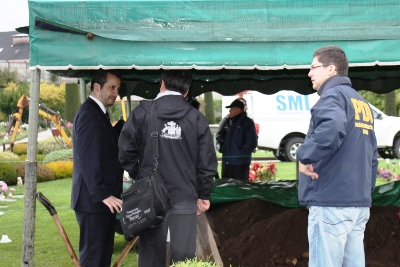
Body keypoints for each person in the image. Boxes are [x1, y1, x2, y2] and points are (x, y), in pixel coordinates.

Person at [118, 70, 217, 266]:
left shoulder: (141, 113)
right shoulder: (196, 118)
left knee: (151, 258)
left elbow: (124, 151)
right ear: (187, 91)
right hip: (185, 199)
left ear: (161, 84)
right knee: (183, 260)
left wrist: (141, 175)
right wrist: (203, 195)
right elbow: (207, 163)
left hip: (150, 200)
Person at [296, 46, 378, 267]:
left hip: (332, 201)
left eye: (314, 67)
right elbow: (371, 153)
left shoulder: (332, 96)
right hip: (357, 203)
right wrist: (364, 191)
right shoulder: (360, 103)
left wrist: (304, 156)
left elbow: (330, 131)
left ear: (331, 68)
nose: (309, 73)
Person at [71, 69, 123, 267]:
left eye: (117, 88)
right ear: (96, 87)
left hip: (100, 202)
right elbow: (87, 158)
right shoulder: (89, 114)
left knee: (102, 259)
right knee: (94, 261)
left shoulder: (98, 113)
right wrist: (102, 194)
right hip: (93, 202)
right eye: (111, 87)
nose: (115, 92)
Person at [220, 99, 257, 180]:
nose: (229, 111)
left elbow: (252, 142)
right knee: (226, 188)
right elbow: (220, 135)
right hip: (227, 162)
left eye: (231, 108)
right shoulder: (229, 122)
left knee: (240, 188)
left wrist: (240, 155)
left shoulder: (247, 122)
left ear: (238, 110)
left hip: (240, 164)